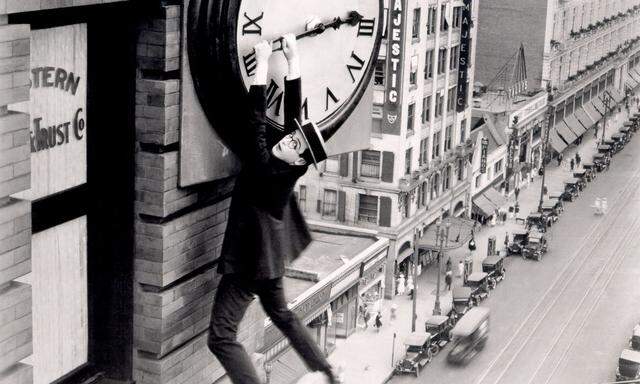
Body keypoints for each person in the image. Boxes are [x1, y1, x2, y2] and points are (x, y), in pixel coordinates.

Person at [208, 35, 341, 384]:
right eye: (290, 137)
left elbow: (256, 122)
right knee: (282, 314)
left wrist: (263, 65)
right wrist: (294, 61)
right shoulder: (291, 166)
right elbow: (292, 121)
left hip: (249, 262)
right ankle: (325, 368)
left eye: (293, 143)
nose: (286, 138)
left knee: (221, 337)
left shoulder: (266, 168)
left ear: (298, 156)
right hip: (269, 259)